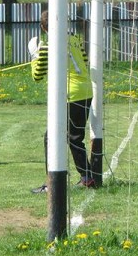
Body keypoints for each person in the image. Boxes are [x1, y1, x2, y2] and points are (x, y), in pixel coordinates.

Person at [28, 10, 96, 193]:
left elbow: (37, 76)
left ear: (43, 27)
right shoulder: (75, 39)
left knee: (51, 137)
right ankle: (87, 177)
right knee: (75, 137)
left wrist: (34, 55)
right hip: (86, 90)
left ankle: (52, 183)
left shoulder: (48, 46)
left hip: (70, 94)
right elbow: (85, 60)